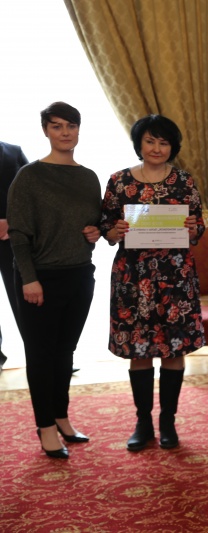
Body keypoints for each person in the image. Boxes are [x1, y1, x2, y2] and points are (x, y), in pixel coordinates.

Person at [100, 115, 205, 452]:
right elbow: (106, 228)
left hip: (175, 278)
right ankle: (143, 422)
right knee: (139, 350)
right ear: (139, 144)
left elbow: (197, 227)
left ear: (173, 147)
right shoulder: (118, 181)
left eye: (164, 142)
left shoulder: (184, 181)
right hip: (133, 278)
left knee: (174, 349)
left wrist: (193, 229)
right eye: (150, 141)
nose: (157, 148)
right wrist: (116, 231)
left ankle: (168, 421)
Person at [7, 102, 101, 458]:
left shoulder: (88, 177)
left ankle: (61, 416)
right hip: (40, 280)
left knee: (65, 352)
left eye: (71, 125)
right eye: (57, 126)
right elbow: (18, 234)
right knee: (40, 354)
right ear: (45, 130)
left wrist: (96, 231)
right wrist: (29, 279)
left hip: (80, 275)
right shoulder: (29, 176)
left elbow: (96, 223)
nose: (65, 132)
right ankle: (45, 426)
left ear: (79, 129)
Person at [0, 141, 29, 373]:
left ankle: (44, 357)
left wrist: (12, 220)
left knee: (23, 298)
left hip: (11, 238)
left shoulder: (13, 151)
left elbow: (32, 191)